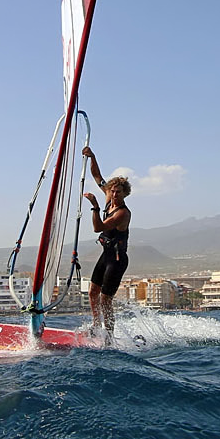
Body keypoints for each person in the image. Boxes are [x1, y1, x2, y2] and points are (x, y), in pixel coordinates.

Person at [82, 146, 131, 344]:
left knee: (105, 299)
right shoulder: (109, 197)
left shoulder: (122, 213)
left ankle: (109, 337)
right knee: (93, 292)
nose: (114, 194)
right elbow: (97, 176)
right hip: (106, 255)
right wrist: (92, 156)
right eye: (112, 190)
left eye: (118, 192)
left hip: (118, 260)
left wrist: (95, 206)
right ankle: (96, 326)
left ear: (125, 194)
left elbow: (98, 227)